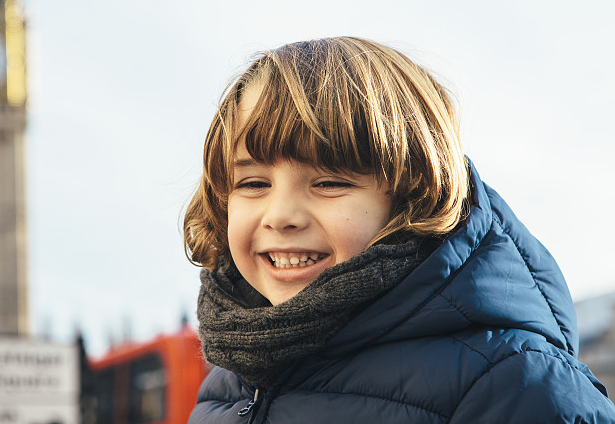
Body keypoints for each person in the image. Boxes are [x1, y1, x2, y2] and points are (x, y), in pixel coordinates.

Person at [183, 37, 615, 423]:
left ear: (414, 196)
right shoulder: (228, 383)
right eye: (254, 183)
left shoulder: (517, 387)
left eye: (330, 182)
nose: (280, 216)